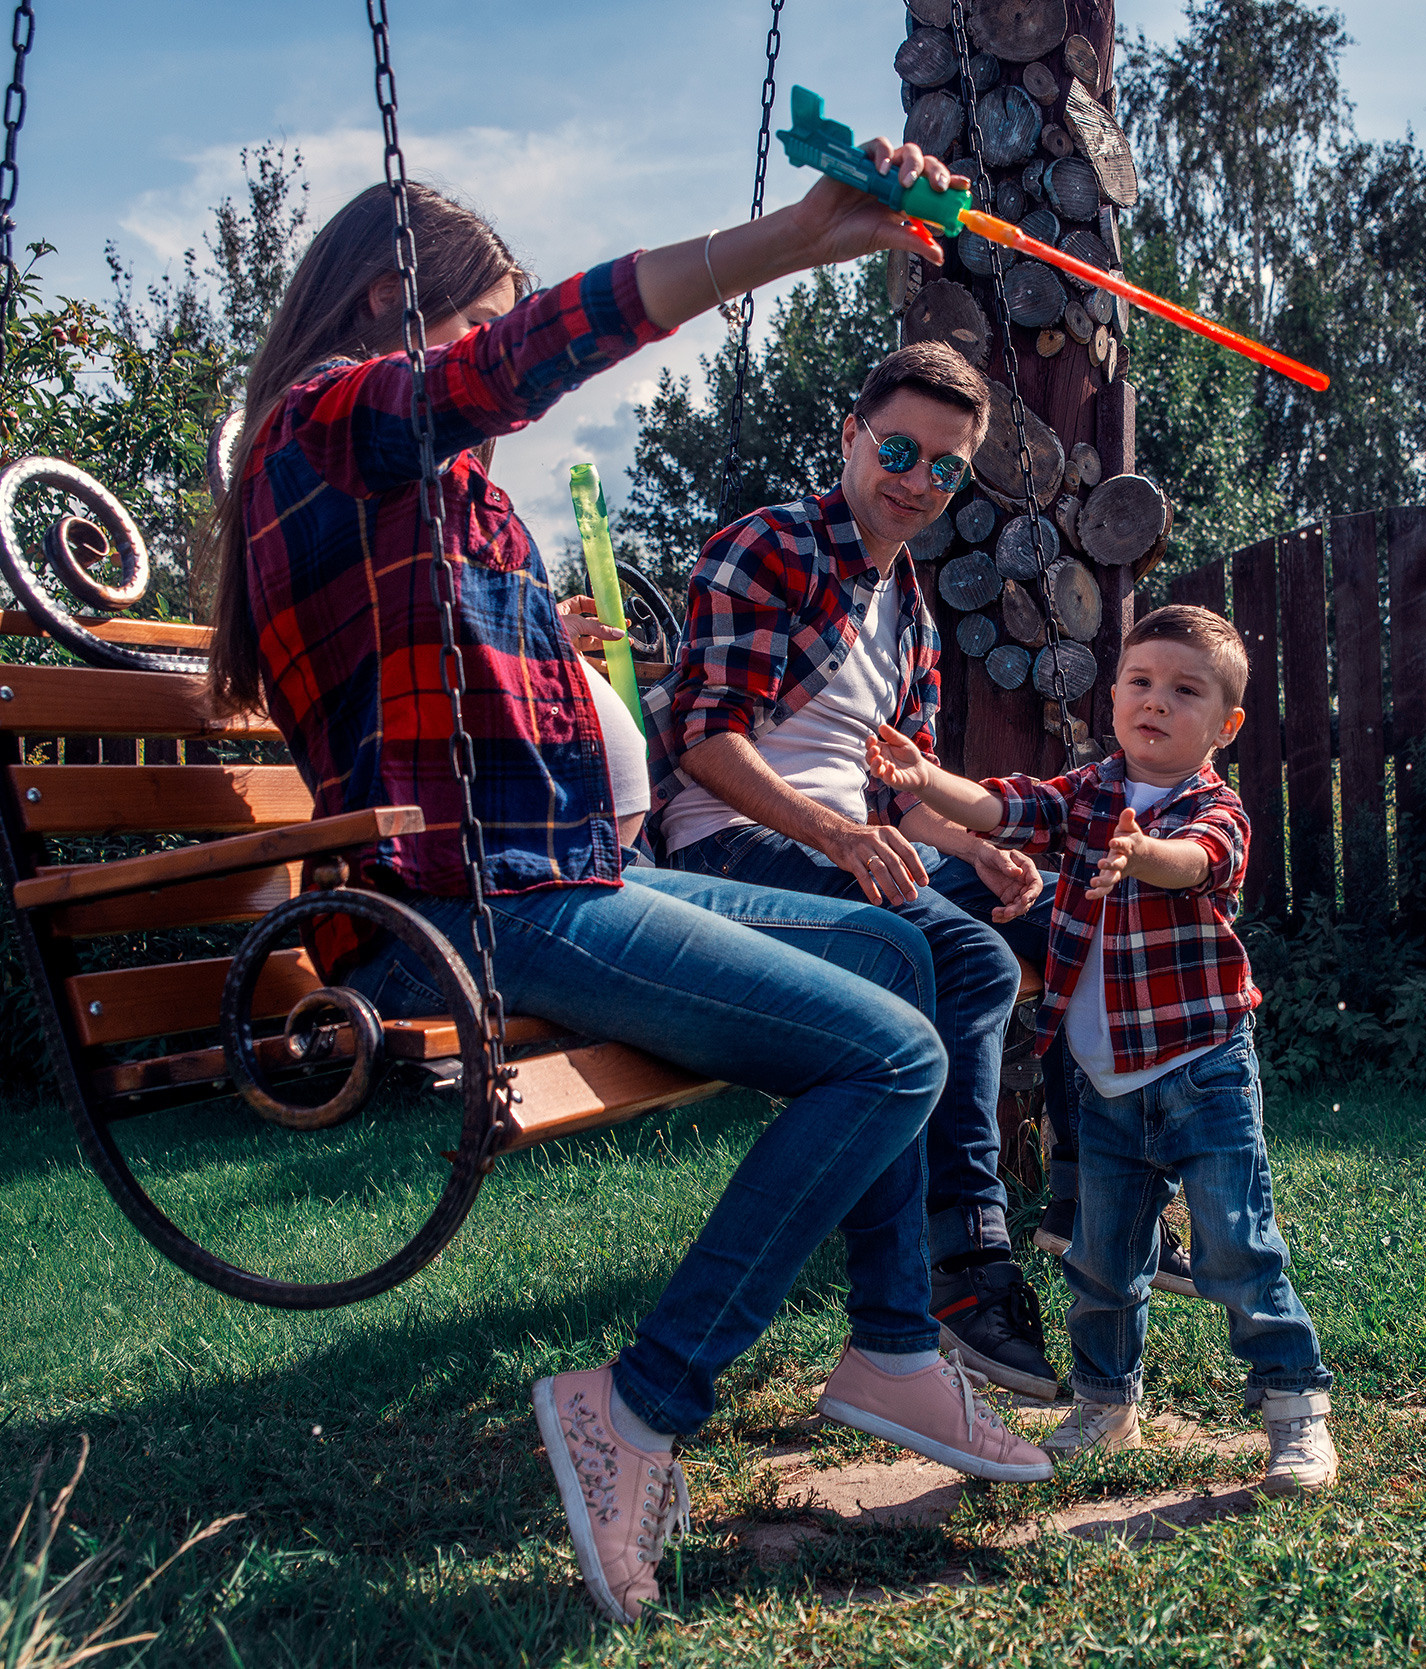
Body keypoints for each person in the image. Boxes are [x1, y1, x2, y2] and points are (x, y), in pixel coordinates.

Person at [200, 150, 1050, 1629]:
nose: (487, 356)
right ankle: (637, 1405)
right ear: (405, 308)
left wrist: (550, 633)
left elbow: (495, 692)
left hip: (549, 876)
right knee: (893, 1054)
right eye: (477, 326)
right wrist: (787, 242)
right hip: (464, 911)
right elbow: (517, 367)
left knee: (918, 961)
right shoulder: (321, 425)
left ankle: (896, 1346)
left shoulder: (420, 488)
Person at [646, 342, 1069, 1398]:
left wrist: (977, 846)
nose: (918, 480)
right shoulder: (771, 548)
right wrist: (834, 835)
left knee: (1067, 914)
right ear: (848, 437)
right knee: (966, 961)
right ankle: (962, 1265)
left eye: (946, 468)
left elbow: (898, 790)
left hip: (856, 847)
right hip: (728, 848)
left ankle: (1105, 1207)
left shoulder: (911, 609)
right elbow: (704, 740)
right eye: (898, 449)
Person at [864, 604, 1339, 1494]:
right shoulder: (1087, 792)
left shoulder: (1213, 805)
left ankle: (1294, 1408)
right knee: (1100, 1258)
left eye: (1185, 690)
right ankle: (1104, 1401)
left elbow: (1200, 863)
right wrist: (924, 775)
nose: (1156, 702)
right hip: (1106, 1086)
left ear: (1224, 726)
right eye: (1141, 682)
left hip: (1202, 1069)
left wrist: (1141, 851)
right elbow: (1003, 805)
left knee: (1236, 1244)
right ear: (1114, 693)